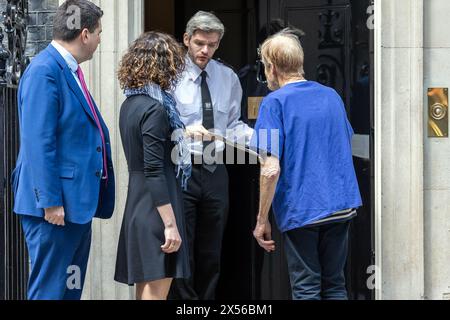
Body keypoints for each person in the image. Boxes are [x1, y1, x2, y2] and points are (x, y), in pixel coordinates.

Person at [10, 0, 115, 300]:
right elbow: (38, 141)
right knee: (50, 293)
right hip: (54, 211)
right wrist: (51, 201)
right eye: (98, 33)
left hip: (76, 208)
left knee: (69, 290)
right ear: (84, 34)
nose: (99, 40)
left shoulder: (67, 70)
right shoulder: (45, 70)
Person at [250, 32, 362, 300]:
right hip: (341, 203)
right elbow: (345, 140)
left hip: (303, 208)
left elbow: (270, 168)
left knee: (306, 288)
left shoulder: (273, 103)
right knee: (335, 285)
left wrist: (261, 219)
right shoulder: (331, 95)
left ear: (272, 67)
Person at [169, 11, 253, 300]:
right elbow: (159, 124)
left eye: (213, 44)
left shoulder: (228, 77)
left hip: (216, 169)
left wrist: (263, 140)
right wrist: (182, 131)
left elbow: (233, 125)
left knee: (212, 247)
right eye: (200, 43)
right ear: (186, 39)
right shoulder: (170, 75)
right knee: (183, 245)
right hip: (182, 169)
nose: (206, 50)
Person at [114, 31, 191, 300]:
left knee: (145, 293)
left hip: (139, 203)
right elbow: (155, 169)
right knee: (156, 295)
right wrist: (170, 224)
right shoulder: (156, 110)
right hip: (158, 207)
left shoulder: (130, 104)